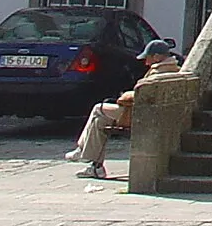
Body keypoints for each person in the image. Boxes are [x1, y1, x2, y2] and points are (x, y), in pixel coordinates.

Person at [66, 38, 180, 179]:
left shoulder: (159, 73)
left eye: (148, 58)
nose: (146, 62)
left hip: (139, 115)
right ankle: (96, 167)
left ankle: (82, 148)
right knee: (100, 122)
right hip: (150, 114)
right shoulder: (174, 69)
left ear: (156, 57)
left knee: (98, 108)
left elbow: (141, 94)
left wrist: (124, 96)